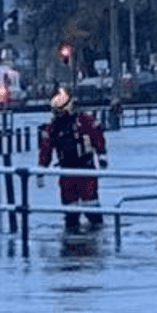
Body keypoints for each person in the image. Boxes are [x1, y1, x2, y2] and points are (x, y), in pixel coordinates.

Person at [37, 87, 107, 229]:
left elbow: (97, 137)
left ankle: (94, 233)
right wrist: (41, 170)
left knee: (91, 207)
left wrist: (102, 155)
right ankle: (73, 234)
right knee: (70, 212)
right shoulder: (53, 128)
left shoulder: (84, 121)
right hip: (67, 171)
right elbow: (46, 149)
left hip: (85, 169)